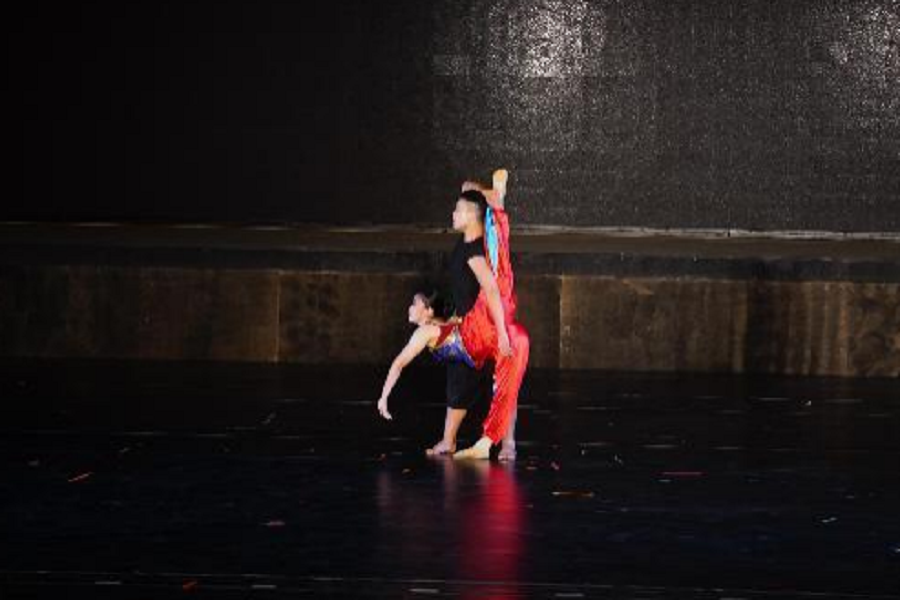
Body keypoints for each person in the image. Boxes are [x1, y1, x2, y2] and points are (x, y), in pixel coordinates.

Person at [377, 171, 530, 460]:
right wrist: (487, 196)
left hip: (482, 325)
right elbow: (466, 187)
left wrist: (500, 330)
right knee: (467, 384)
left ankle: (505, 442)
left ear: (472, 216)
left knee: (504, 379)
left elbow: (493, 289)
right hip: (471, 330)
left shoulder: (474, 251)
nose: (452, 213)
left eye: (458, 210)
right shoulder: (471, 241)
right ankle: (454, 441)